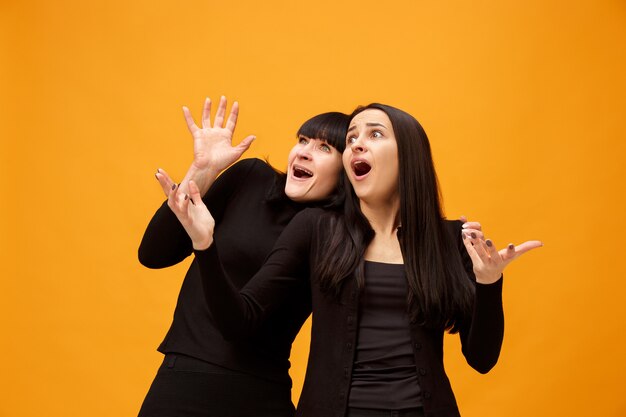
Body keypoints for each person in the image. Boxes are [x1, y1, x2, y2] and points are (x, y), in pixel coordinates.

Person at [168, 103, 536, 417]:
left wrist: (489, 282)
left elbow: (482, 359)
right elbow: (240, 321)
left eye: (375, 134)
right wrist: (205, 245)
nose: (357, 143)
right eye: (352, 138)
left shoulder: (448, 239)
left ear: (408, 154)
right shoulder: (315, 229)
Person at [136, 96, 350, 417]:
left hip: (263, 393)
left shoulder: (338, 234)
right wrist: (202, 170)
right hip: (186, 379)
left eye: (324, 148)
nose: (303, 151)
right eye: (303, 140)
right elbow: (154, 254)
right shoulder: (252, 179)